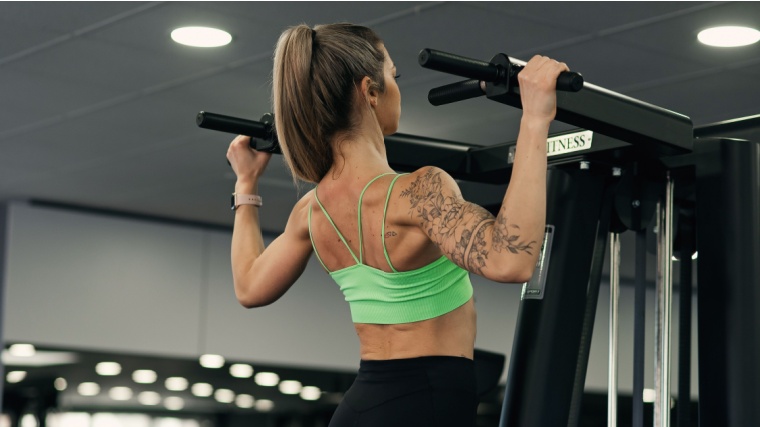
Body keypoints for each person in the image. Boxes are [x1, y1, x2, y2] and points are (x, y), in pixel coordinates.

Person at [226, 23, 569, 427]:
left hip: (363, 406)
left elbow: (249, 285)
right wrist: (535, 118)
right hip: (427, 404)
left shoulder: (312, 211)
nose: (397, 87)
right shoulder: (420, 191)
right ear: (370, 91)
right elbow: (512, 259)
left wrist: (245, 185)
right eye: (394, 75)